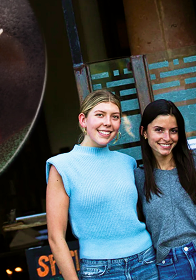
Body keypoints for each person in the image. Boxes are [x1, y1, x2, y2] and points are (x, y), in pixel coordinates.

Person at [45, 89, 157, 280]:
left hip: (145, 261)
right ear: (83, 120)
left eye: (115, 117)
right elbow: (56, 238)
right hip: (101, 270)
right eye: (99, 115)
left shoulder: (127, 162)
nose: (108, 122)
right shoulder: (62, 166)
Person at [135, 99, 196, 280]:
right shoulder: (139, 178)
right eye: (159, 130)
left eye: (173, 131)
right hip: (169, 267)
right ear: (144, 132)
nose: (167, 137)